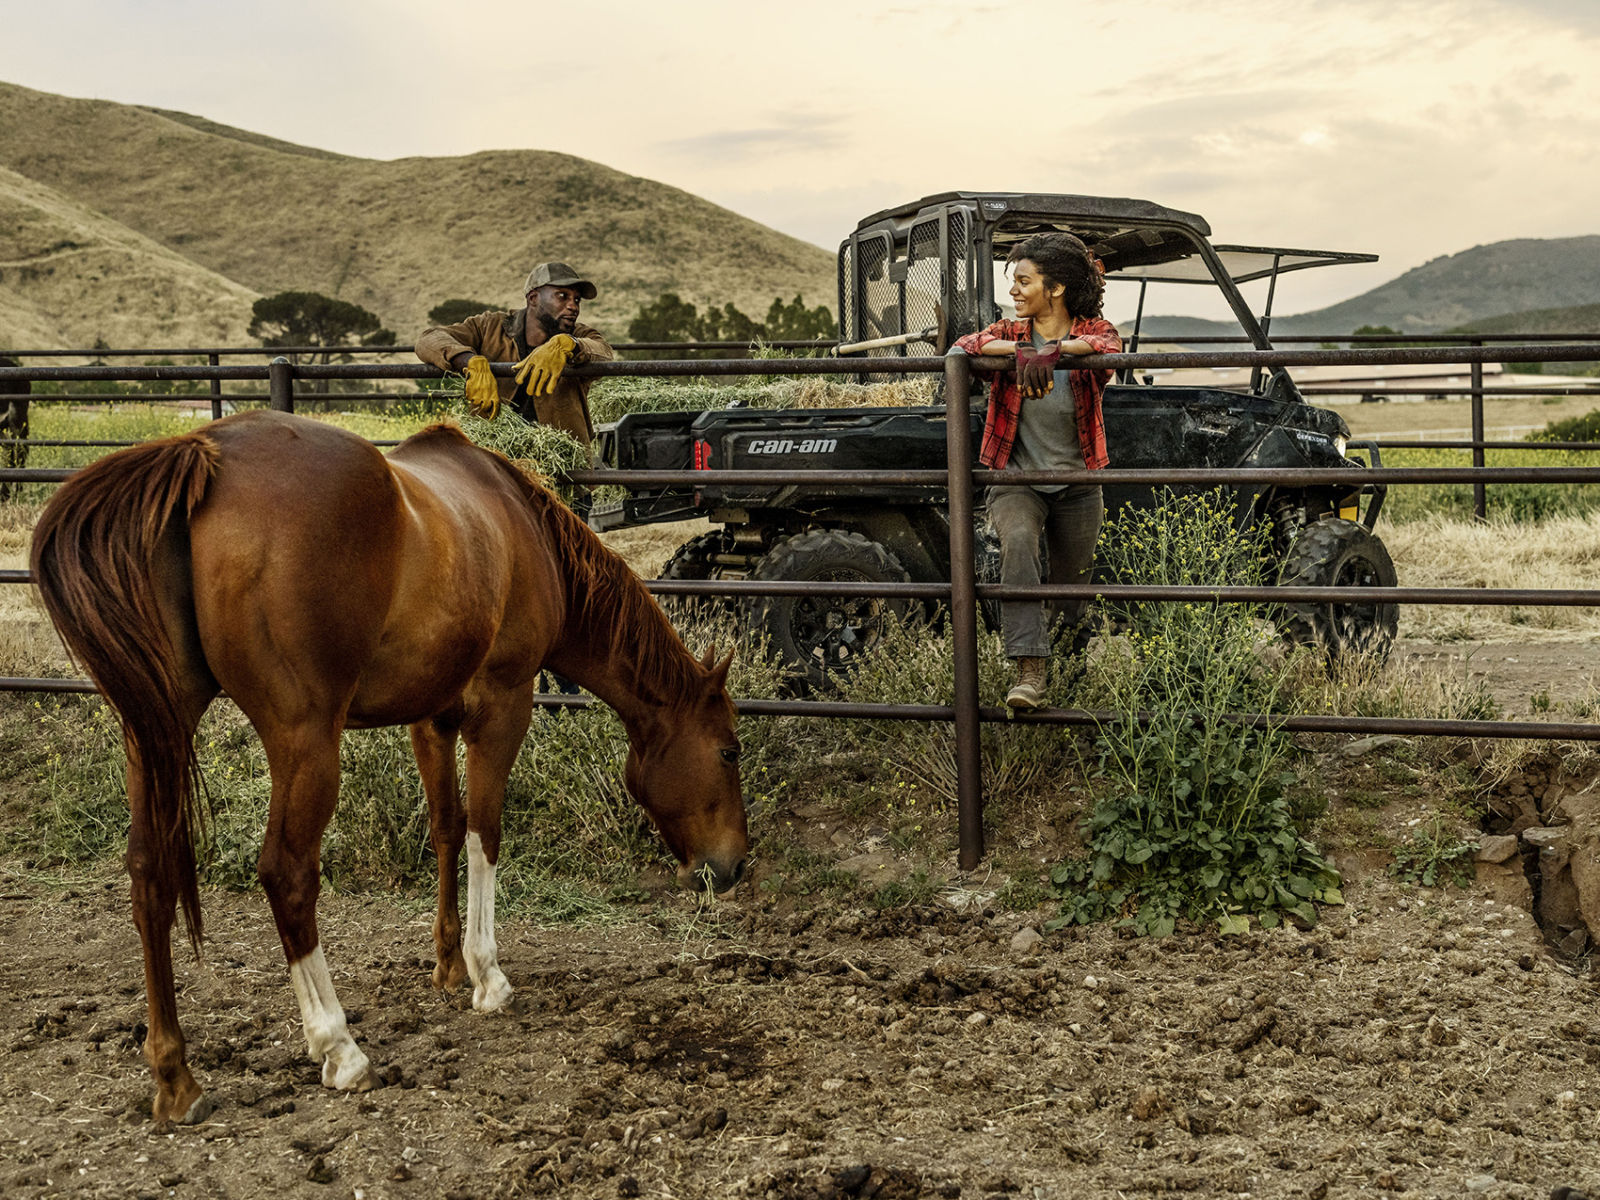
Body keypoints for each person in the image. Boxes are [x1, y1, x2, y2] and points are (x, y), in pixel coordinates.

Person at [949, 232, 1122, 710]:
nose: (1015, 291)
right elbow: (964, 347)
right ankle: (1030, 669)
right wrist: (1025, 355)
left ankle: (1069, 675)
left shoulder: (1094, 327)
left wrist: (1055, 353)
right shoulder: (1009, 333)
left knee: (1074, 587)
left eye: (1025, 282)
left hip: (1079, 482)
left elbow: (1106, 346)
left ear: (1057, 288)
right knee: (1019, 543)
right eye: (1014, 282)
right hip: (1016, 478)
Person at [414, 262, 614, 456]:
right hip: (492, 460)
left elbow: (604, 353)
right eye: (562, 296)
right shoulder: (489, 327)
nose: (573, 306)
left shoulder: (578, 334)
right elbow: (428, 338)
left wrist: (569, 344)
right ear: (533, 298)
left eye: (576, 299)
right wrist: (469, 362)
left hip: (562, 463)